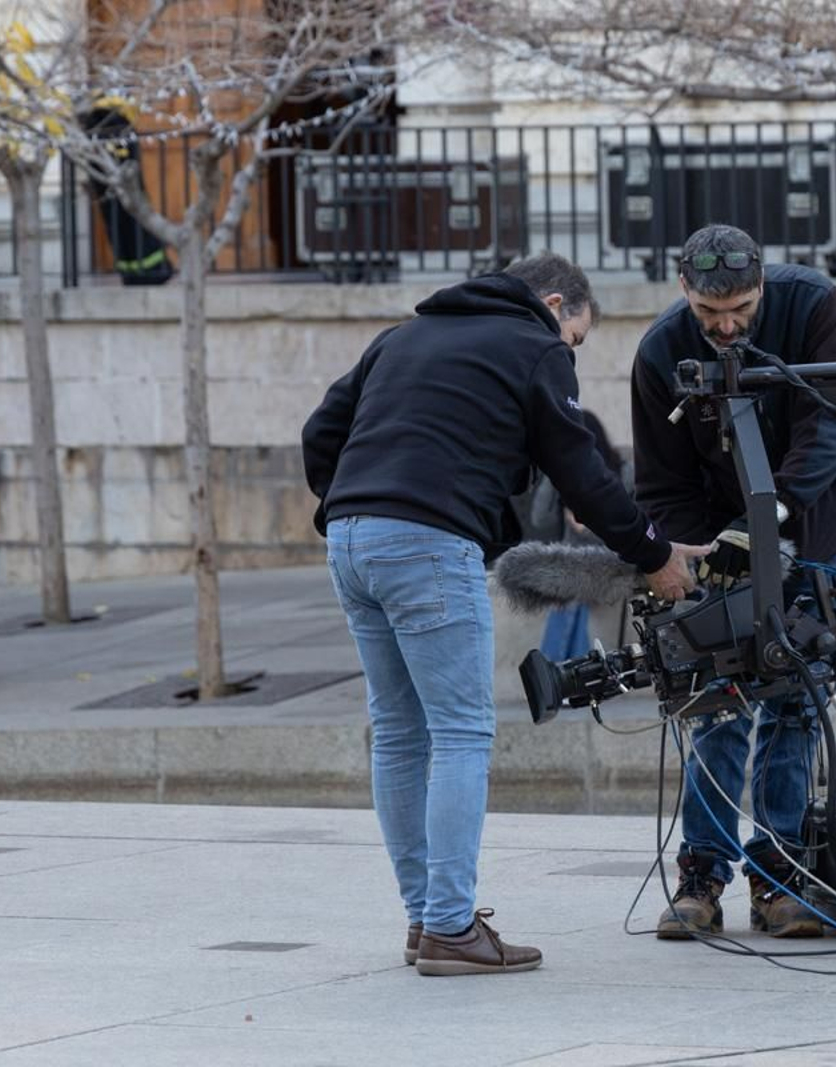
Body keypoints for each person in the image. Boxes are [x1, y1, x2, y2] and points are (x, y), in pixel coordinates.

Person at [302, 253, 711, 976]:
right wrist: (652, 551)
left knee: (399, 732)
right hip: (427, 543)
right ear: (555, 303)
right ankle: (452, 927)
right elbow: (583, 470)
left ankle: (425, 918)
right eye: (576, 338)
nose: (570, 353)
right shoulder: (534, 347)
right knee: (461, 731)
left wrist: (357, 505)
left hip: (349, 539)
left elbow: (319, 434)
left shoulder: (401, 338)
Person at [630, 224, 836, 939]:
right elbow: (662, 481)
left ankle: (781, 873)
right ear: (684, 294)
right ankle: (701, 875)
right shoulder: (660, 351)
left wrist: (777, 514)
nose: (727, 326)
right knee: (715, 699)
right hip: (713, 539)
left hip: (810, 521)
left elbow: (829, 425)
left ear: (762, 286)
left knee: (797, 691)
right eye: (710, 315)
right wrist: (697, 553)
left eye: (742, 310)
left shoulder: (814, 304)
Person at [529, 408, 632, 660]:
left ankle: (556, 669)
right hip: (571, 565)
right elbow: (539, 518)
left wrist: (590, 526)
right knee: (570, 595)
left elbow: (632, 524)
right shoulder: (565, 475)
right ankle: (577, 672)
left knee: (568, 593)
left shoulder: (623, 471)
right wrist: (554, 475)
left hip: (608, 563)